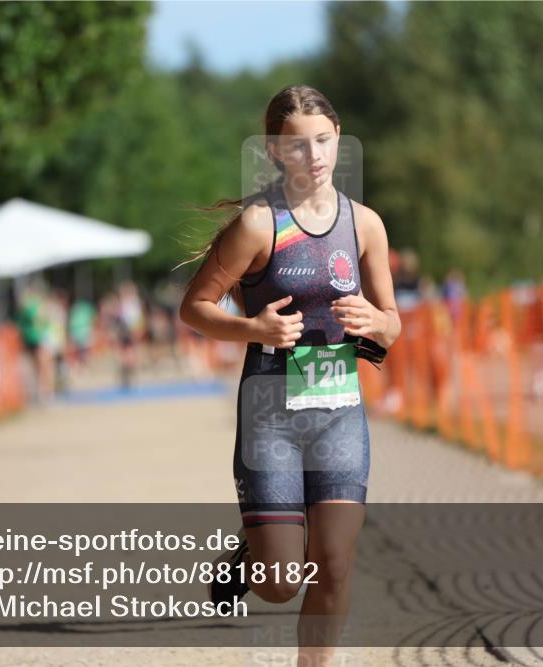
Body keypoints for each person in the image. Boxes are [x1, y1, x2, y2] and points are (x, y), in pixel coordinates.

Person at [178, 85, 400, 665]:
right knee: (279, 582)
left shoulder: (366, 225)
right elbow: (194, 308)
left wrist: (377, 320)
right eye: (297, 147)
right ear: (276, 152)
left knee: (335, 563)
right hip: (269, 416)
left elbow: (393, 326)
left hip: (340, 412)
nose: (314, 157)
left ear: (338, 137)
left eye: (323, 141)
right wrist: (256, 329)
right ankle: (250, 556)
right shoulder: (258, 224)